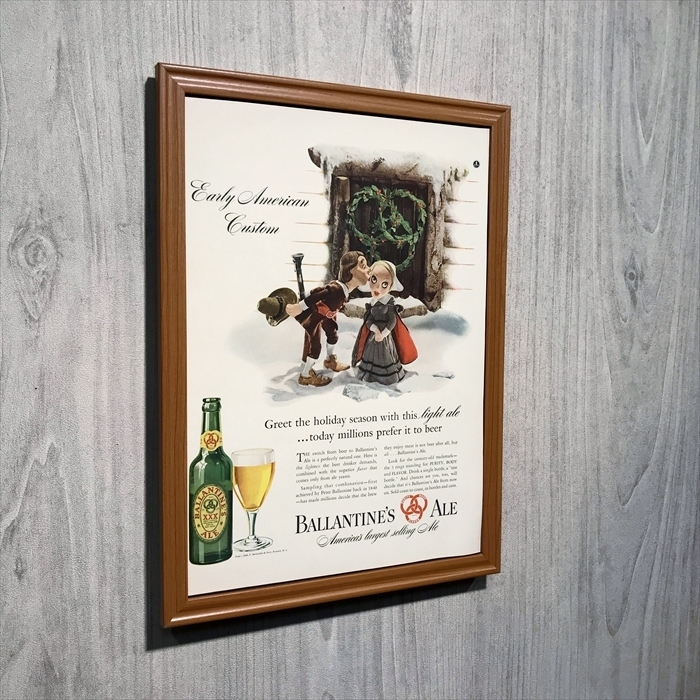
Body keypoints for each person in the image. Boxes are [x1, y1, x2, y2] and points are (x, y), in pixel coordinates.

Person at [286, 251, 370, 386]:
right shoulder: (337, 289)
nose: (369, 269)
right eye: (363, 266)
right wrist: (300, 306)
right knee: (315, 347)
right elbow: (318, 295)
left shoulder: (344, 289)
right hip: (314, 317)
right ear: (351, 271)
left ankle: (329, 361)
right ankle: (306, 375)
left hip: (326, 316)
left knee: (333, 335)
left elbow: (322, 291)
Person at [352, 260, 417, 385]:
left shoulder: (389, 303)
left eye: (384, 284)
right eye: (374, 279)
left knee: (385, 355)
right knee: (371, 355)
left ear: (391, 285)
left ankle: (387, 376)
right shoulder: (372, 303)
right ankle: (369, 374)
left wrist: (383, 333)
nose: (378, 288)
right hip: (373, 336)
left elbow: (392, 321)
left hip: (385, 337)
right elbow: (369, 320)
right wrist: (375, 329)